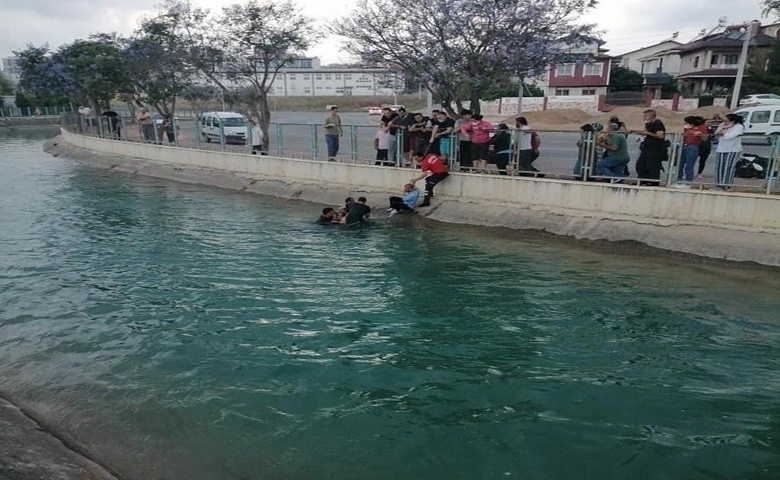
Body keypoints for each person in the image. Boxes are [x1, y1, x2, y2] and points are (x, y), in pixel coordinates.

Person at [631, 109, 666, 186]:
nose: (644, 117)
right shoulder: (648, 124)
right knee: (640, 164)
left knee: (652, 165)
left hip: (655, 148)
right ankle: (643, 179)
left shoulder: (658, 123)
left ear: (650, 116)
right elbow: (645, 132)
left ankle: (654, 181)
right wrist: (636, 131)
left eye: (645, 116)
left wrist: (648, 133)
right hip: (647, 147)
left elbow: (660, 135)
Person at [714, 113, 745, 190]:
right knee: (719, 167)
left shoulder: (739, 127)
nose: (725, 123)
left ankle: (726, 185)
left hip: (733, 149)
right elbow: (716, 135)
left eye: (727, 121)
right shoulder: (723, 125)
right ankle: (719, 184)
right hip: (721, 148)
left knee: (728, 167)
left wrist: (724, 130)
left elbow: (728, 137)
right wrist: (720, 128)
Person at [677, 115, 708, 185]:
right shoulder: (687, 128)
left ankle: (688, 181)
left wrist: (700, 134)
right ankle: (678, 180)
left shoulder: (701, 128)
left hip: (693, 146)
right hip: (684, 145)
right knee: (680, 164)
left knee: (689, 165)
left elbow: (705, 139)